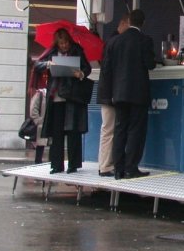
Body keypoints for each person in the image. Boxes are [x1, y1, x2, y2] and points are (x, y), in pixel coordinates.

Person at [100, 9, 156, 179]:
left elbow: (107, 68)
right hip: (138, 93)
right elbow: (150, 64)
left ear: (129, 21)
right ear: (143, 23)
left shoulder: (114, 41)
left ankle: (118, 169)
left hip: (118, 93)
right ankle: (131, 167)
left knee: (120, 130)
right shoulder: (145, 40)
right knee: (135, 131)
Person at [34, 28, 92, 174]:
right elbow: (37, 65)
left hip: (72, 96)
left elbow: (87, 68)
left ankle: (73, 165)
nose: (64, 45)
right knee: (56, 132)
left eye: (66, 42)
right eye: (61, 43)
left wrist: (81, 74)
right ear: (57, 42)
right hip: (56, 97)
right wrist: (48, 65)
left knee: (73, 131)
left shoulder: (77, 50)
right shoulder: (51, 52)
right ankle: (56, 165)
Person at [96, 13, 130, 177]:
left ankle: (104, 164)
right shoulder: (116, 43)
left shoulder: (110, 42)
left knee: (107, 128)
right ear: (123, 24)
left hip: (106, 92)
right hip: (110, 93)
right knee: (109, 129)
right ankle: (106, 165)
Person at [29, 74, 49, 164]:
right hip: (41, 125)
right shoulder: (40, 94)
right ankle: (37, 165)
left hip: (50, 124)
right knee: (40, 147)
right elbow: (33, 110)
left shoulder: (54, 94)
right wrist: (39, 121)